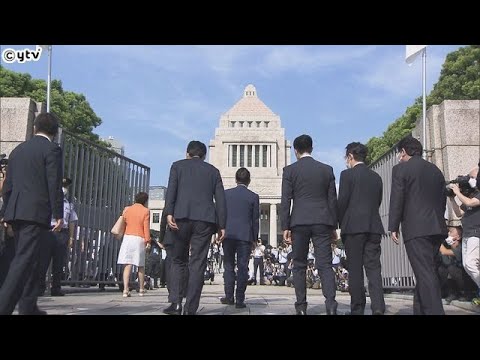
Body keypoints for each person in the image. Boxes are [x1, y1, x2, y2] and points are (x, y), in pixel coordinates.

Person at [0, 112, 64, 315]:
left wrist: (5, 212)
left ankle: (29, 306)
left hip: (16, 211)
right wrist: (58, 213)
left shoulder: (18, 150)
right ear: (55, 132)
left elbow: (7, 186)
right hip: (35, 213)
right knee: (23, 260)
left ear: (34, 128)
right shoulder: (52, 149)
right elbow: (54, 182)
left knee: (31, 258)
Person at [163, 140, 226, 315]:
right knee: (197, 263)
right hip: (205, 221)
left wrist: (169, 212)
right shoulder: (213, 171)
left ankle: (175, 303)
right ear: (204, 155)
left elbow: (171, 191)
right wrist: (222, 225)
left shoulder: (177, 166)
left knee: (177, 260)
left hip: (180, 217)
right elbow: (220, 199)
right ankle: (191, 308)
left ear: (187, 153)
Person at [388, 135, 447, 315]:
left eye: (400, 154)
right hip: (436, 227)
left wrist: (393, 226)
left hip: (416, 228)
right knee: (426, 271)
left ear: (404, 152)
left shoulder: (401, 170)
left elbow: (397, 199)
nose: (399, 157)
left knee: (424, 273)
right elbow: (442, 199)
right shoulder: (436, 170)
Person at [280, 134, 338, 315]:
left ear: (296, 151)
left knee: (299, 264)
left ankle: (301, 306)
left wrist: (285, 227)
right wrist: (334, 226)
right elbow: (332, 200)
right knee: (325, 264)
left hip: (299, 221)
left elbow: (285, 200)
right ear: (311, 148)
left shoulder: (290, 170)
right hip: (322, 221)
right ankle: (330, 304)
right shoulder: (326, 169)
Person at [337, 142, 386, 315]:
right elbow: (378, 201)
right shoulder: (376, 177)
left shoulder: (346, 175)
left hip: (353, 228)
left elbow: (342, 202)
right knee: (374, 269)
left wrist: (340, 222)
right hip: (373, 226)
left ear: (350, 156)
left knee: (356, 270)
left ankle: (357, 308)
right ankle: (378, 307)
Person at [220, 167, 259, 308]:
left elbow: (221, 214)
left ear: (235, 180)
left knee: (228, 266)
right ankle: (240, 299)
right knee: (243, 268)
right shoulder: (253, 196)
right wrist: (254, 238)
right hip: (244, 236)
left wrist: (220, 231)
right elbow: (255, 220)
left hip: (228, 235)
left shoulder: (225, 194)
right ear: (249, 181)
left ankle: (229, 297)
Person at [38, 177, 78, 296]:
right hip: (49, 230)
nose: (64, 189)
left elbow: (71, 221)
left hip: (62, 233)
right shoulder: (48, 200)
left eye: (66, 187)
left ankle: (56, 288)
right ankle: (39, 287)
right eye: (63, 186)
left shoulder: (69, 203)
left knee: (59, 262)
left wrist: (71, 237)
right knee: (43, 261)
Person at [448, 165, 480, 305]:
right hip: (467, 233)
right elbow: (460, 213)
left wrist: (457, 191)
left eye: (472, 177)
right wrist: (452, 198)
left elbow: (470, 203)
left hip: (475, 233)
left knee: (470, 264)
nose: (470, 180)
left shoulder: (476, 196)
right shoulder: (471, 194)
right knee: (468, 266)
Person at [117, 192, 151, 298]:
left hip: (127, 237)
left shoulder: (127, 209)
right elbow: (146, 228)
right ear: (145, 201)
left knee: (127, 265)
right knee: (140, 265)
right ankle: (141, 289)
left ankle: (125, 290)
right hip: (139, 239)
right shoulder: (146, 211)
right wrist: (148, 241)